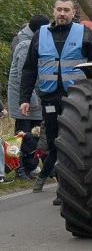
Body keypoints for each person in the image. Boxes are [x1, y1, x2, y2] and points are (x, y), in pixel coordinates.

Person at [19, 0, 92, 204]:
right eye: (59, 9)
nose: (62, 13)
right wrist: (24, 99)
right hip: (50, 97)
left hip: (78, 96)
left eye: (66, 10)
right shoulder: (40, 35)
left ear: (74, 13)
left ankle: (76, 185)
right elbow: (29, 69)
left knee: (76, 141)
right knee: (56, 141)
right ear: (53, 11)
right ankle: (62, 187)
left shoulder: (84, 34)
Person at [7, 15, 48, 179]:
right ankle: (19, 168)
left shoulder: (33, 41)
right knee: (22, 135)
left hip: (33, 98)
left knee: (34, 133)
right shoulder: (25, 45)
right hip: (24, 98)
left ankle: (30, 166)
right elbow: (24, 76)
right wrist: (30, 100)